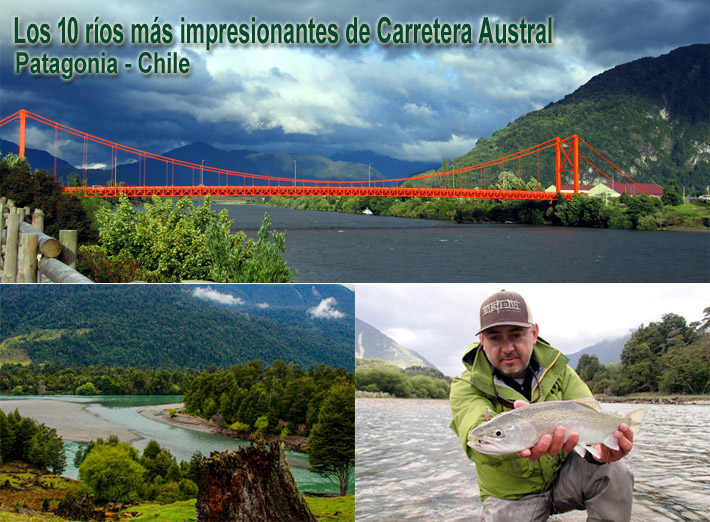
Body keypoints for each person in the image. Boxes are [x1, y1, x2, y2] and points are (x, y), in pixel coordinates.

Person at [449, 290, 635, 521]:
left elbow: (591, 415)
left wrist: (601, 452)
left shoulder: (560, 371)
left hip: (563, 482)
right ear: (482, 342)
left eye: (516, 335)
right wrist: (513, 442)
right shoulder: (465, 385)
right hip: (511, 496)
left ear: (534, 334)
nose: (507, 348)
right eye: (495, 338)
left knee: (615, 470)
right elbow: (474, 437)